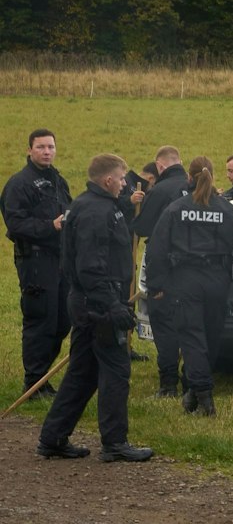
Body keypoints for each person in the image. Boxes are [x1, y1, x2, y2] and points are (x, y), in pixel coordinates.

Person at [36, 153, 152, 463]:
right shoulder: (96, 212)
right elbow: (90, 267)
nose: (125, 183)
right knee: (116, 371)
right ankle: (115, 442)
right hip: (98, 302)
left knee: (82, 373)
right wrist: (112, 305)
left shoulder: (93, 205)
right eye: (122, 178)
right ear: (108, 180)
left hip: (89, 301)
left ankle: (53, 437)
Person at [143, 157, 233, 417]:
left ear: (189, 178)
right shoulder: (227, 209)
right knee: (211, 335)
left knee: (192, 337)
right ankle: (194, 393)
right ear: (212, 176)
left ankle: (204, 395)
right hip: (218, 280)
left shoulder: (176, 209)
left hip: (186, 280)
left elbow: (157, 249)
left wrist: (155, 284)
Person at [5, 130, 71, 400]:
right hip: (34, 260)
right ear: (29, 150)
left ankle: (42, 378)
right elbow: (15, 223)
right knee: (40, 320)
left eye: (51, 147)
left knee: (62, 321)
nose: (47, 152)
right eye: (41, 147)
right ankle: (33, 383)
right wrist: (49, 226)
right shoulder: (19, 184)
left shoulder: (58, 180)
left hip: (60, 259)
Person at [133, 147, 191, 397]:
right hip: (194, 270)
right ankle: (191, 379)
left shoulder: (159, 190)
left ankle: (168, 384)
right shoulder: (195, 188)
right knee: (190, 326)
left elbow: (143, 227)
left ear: (159, 166)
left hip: (165, 268)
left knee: (164, 325)